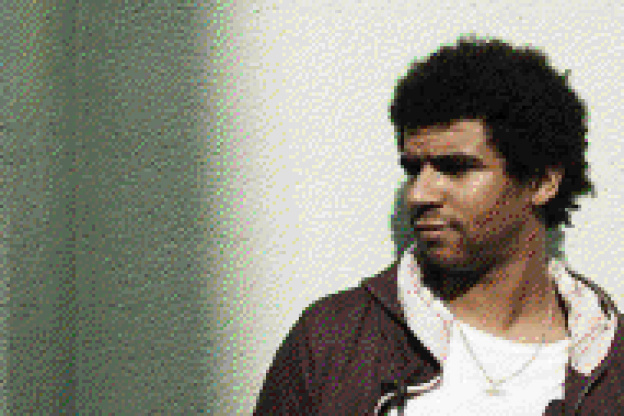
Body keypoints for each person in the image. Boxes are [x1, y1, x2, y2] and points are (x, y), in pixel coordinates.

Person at [253, 35, 624, 415]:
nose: (419, 194)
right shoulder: (334, 339)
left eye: (456, 168)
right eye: (414, 169)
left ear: (542, 181)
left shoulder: (610, 364)